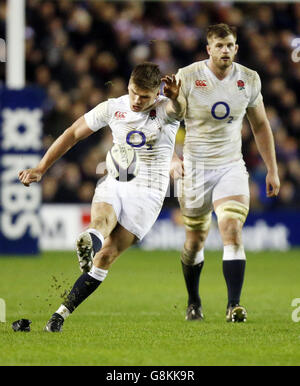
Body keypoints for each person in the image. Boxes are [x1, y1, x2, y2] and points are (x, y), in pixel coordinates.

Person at [19, 62, 181, 332]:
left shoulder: (167, 108)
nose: (137, 101)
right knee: (101, 223)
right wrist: (41, 167)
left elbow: (178, 110)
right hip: (117, 180)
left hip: (149, 193)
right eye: (133, 93)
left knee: (106, 256)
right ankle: (91, 237)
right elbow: (72, 133)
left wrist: (175, 97)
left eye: (145, 96)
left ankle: (60, 314)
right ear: (128, 85)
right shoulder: (113, 107)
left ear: (157, 94)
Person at [169, 24, 280, 322]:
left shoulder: (249, 79)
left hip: (231, 165)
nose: (225, 51)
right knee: (195, 241)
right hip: (195, 168)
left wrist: (272, 169)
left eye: (230, 45)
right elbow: (169, 120)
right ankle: (193, 300)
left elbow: (260, 126)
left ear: (236, 48)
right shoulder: (188, 76)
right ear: (208, 49)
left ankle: (234, 306)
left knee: (231, 229)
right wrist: (172, 157)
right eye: (219, 46)